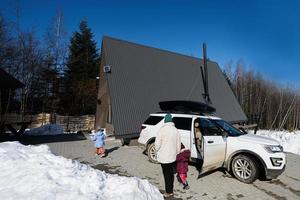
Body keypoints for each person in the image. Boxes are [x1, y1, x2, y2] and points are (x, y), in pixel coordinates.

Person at [155, 113, 181, 198]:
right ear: (171, 121)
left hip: (164, 157)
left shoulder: (161, 130)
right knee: (170, 173)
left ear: (165, 121)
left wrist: (157, 150)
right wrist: (177, 153)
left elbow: (157, 145)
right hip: (172, 157)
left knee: (166, 174)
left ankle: (168, 192)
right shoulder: (176, 130)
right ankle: (170, 189)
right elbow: (178, 145)